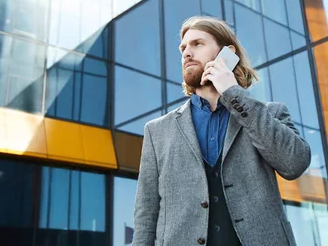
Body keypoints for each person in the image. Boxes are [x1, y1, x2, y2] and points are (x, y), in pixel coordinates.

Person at [132, 16, 311, 246]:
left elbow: (294, 164)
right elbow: (146, 214)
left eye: (198, 44)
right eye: (183, 48)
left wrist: (233, 93)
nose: (187, 52)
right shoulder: (158, 132)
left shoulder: (269, 114)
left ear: (227, 53)